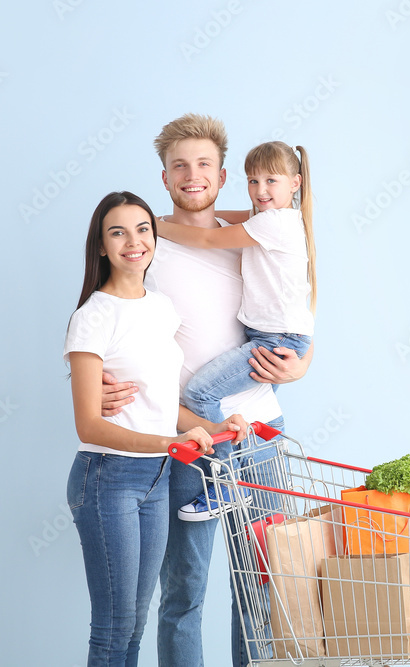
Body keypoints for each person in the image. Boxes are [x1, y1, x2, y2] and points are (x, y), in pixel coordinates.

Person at [99, 115, 313, 667]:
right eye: (179, 166)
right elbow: (101, 329)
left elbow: (292, 309)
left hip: (262, 432)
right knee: (185, 590)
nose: (192, 175)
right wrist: (95, 384)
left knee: (263, 586)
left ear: (221, 177)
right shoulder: (146, 250)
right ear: (164, 178)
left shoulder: (253, 232)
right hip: (192, 436)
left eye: (203, 165)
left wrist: (302, 365)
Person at [64, 190, 249, 666]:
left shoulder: (162, 307)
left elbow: (163, 404)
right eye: (117, 232)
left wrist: (212, 425)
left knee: (136, 622)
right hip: (108, 477)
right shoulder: (92, 318)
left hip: (157, 478)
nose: (134, 241)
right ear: (101, 246)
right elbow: (89, 424)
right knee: (113, 627)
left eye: (142, 229)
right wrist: (170, 442)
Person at [161, 141, 316, 521]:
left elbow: (209, 237)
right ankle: (234, 477)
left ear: (295, 183)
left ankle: (226, 485)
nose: (261, 191)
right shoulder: (277, 217)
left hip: (275, 340)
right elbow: (226, 219)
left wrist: (154, 223)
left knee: (200, 391)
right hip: (268, 335)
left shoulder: (274, 223)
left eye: (271, 181)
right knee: (260, 550)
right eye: (253, 181)